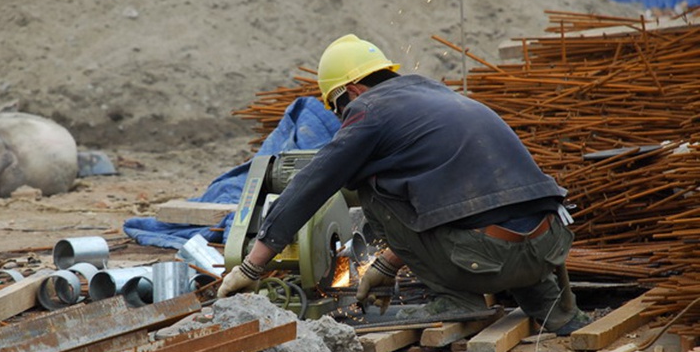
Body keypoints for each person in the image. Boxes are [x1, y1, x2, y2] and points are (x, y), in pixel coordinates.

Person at [218, 34, 590, 335]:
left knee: (367, 186)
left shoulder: (370, 111)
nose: (342, 116)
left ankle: (458, 300)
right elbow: (460, 203)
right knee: (503, 211)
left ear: (353, 90)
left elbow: (310, 186)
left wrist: (251, 268)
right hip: (547, 250)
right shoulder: (437, 95)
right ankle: (554, 309)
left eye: (338, 106)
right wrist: (389, 263)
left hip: (486, 263)